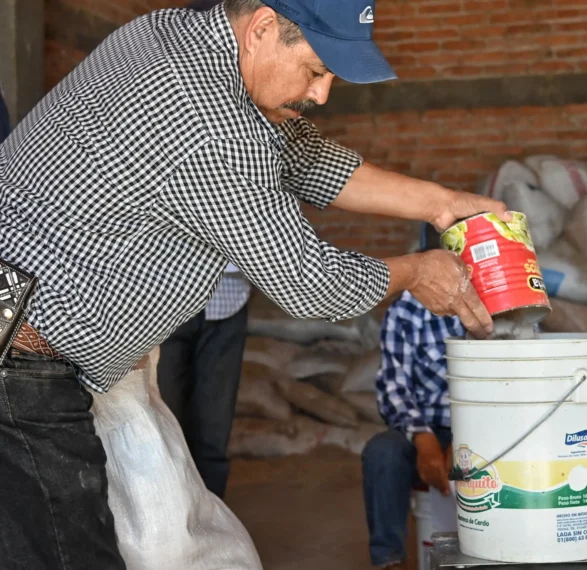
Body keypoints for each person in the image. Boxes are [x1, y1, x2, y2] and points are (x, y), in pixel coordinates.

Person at [0, 1, 509, 568]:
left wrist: (441, 204)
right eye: (316, 71)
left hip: (49, 341)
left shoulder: (174, 33)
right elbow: (311, 284)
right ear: (264, 27)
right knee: (71, 552)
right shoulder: (209, 122)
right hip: (21, 361)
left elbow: (301, 155)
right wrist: (416, 271)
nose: (321, 95)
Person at [361, 225, 465, 568]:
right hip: (425, 428)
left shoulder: (503, 306)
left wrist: (470, 438)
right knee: (382, 453)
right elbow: (394, 387)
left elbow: (515, 386)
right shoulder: (406, 310)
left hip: (487, 430)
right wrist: (423, 440)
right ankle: (389, 559)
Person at [156, 263, 251, 499]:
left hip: (227, 300)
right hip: (164, 301)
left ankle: (213, 526)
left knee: (214, 430)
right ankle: (174, 521)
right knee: (166, 425)